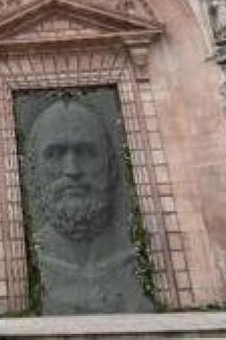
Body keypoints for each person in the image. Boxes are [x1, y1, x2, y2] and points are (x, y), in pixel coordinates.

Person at [25, 100, 154, 315]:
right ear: (32, 171)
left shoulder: (134, 254)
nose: (72, 170)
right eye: (55, 154)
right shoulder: (31, 262)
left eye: (86, 153)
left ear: (112, 166)